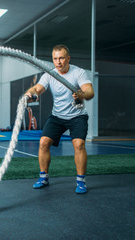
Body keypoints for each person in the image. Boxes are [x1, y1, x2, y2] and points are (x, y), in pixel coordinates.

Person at [25, 44, 94, 194]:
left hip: (77, 116)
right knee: (43, 142)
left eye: (61, 58)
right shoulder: (50, 74)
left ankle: (81, 182)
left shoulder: (78, 72)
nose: (58, 62)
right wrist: (29, 93)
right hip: (57, 116)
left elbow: (90, 92)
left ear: (68, 58)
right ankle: (43, 177)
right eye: (55, 59)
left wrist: (81, 94)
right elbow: (37, 88)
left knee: (79, 144)